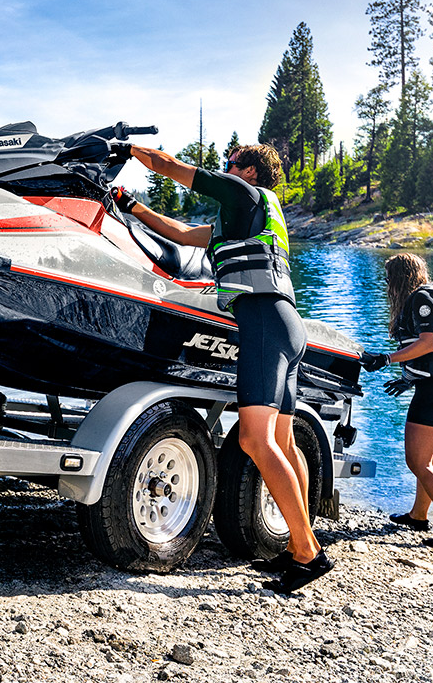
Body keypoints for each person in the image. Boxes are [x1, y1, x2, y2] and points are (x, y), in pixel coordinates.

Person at [111, 142, 333, 593]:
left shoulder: (243, 194)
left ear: (248, 171)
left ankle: (308, 553)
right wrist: (130, 205)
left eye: (231, 165)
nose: (225, 170)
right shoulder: (251, 218)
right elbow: (178, 232)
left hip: (264, 324)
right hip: (286, 326)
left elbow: (169, 166)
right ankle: (298, 543)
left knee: (253, 438)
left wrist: (125, 148)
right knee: (285, 445)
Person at [360, 252, 433, 548]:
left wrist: (386, 359)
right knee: (428, 460)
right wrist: (409, 377)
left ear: (400, 278)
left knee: (418, 461)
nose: (388, 285)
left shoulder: (422, 298)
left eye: (389, 279)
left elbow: (429, 343)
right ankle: (419, 515)